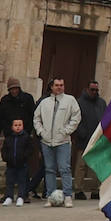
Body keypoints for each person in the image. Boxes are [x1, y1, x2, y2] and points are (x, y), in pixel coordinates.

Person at [34, 77, 81, 207]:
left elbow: (76, 117)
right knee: (49, 169)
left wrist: (67, 131)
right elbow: (36, 118)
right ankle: (50, 196)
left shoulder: (70, 100)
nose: (59, 87)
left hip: (63, 141)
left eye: (62, 85)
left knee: (64, 168)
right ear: (52, 87)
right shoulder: (44, 102)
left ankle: (67, 196)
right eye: (57, 85)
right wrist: (41, 132)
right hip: (47, 141)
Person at [0, 78, 37, 202]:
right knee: (10, 170)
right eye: (11, 89)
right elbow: (0, 119)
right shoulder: (5, 101)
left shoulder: (27, 99)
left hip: (24, 136)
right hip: (9, 137)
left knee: (24, 169)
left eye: (16, 88)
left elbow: (33, 116)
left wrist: (29, 132)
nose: (14, 91)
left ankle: (24, 194)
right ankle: (8, 194)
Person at [72, 80, 107, 200]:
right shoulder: (79, 102)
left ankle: (96, 190)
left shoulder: (101, 103)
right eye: (92, 90)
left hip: (98, 139)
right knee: (81, 166)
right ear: (87, 89)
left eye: (96, 90)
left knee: (97, 166)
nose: (94, 92)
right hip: (84, 139)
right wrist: (82, 133)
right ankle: (78, 189)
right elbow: (76, 119)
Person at [0, 118, 33, 206]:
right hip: (10, 164)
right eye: (16, 125)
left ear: (23, 126)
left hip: (22, 164)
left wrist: (24, 157)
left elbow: (29, 149)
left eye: (20, 125)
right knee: (9, 181)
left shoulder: (26, 137)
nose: (18, 127)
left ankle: (21, 197)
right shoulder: (9, 138)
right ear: (12, 127)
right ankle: (9, 197)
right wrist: (6, 157)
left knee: (22, 181)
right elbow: (4, 150)